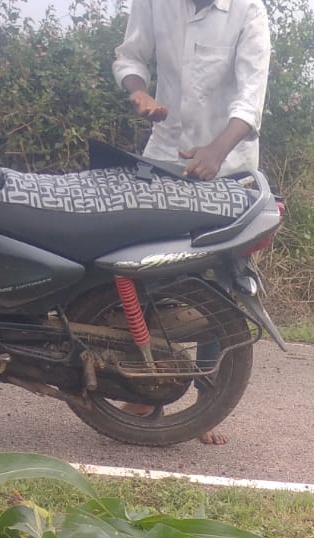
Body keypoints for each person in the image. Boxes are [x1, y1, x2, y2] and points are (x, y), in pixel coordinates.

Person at [113, 0, 271, 440]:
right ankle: (144, 391)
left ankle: (207, 402)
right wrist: (138, 92)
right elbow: (131, 56)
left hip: (229, 165)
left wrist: (216, 153)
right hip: (163, 156)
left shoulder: (248, 11)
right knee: (138, 270)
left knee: (220, 286)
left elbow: (250, 97)